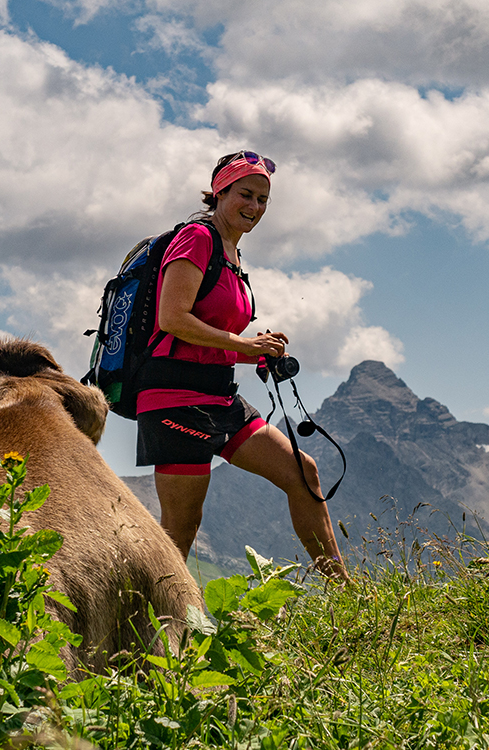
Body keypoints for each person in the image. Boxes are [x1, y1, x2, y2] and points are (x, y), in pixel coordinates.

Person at [135, 151, 349, 581]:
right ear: (220, 192)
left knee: (303, 472)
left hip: (218, 395)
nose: (254, 207)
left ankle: (348, 596)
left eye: (263, 200)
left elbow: (208, 339)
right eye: (246, 195)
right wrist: (246, 346)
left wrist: (260, 352)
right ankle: (148, 630)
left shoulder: (231, 254)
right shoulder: (197, 238)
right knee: (181, 529)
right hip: (175, 400)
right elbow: (171, 319)